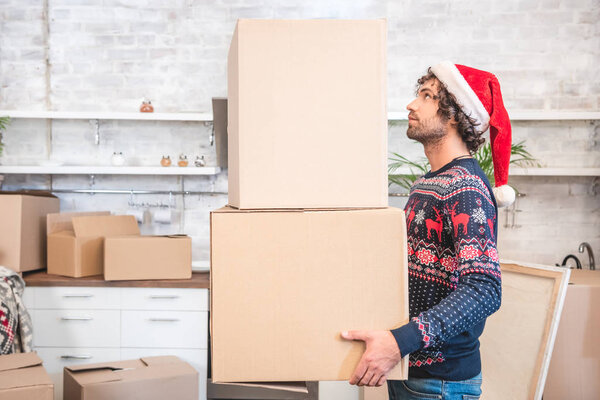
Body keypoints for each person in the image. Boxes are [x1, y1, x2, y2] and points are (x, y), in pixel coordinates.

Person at [341, 61, 516, 399]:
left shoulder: (465, 187)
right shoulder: (429, 182)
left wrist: (399, 340)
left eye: (426, 96)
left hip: (440, 384)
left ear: (454, 115)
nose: (411, 104)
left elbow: (484, 289)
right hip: (413, 373)